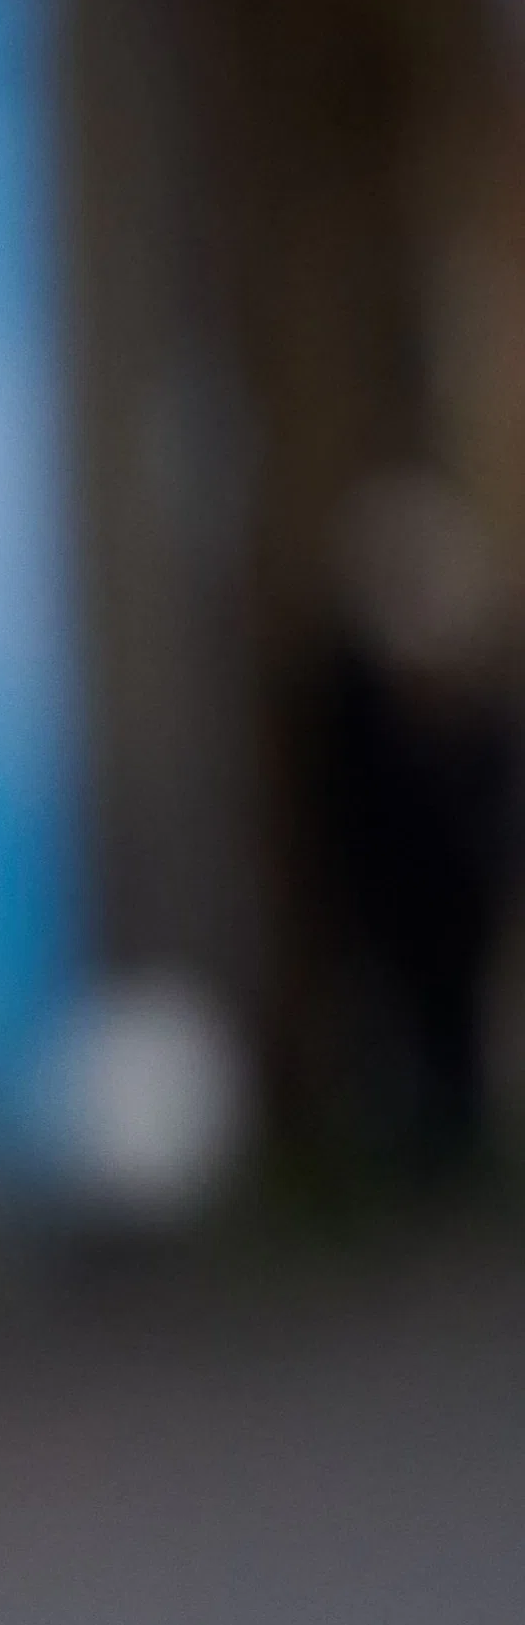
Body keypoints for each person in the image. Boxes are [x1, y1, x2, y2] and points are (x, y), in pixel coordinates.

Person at [300, 465, 512, 1187]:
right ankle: (421, 1150)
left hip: (450, 894)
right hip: (398, 894)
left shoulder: (466, 701)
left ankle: (450, 1145)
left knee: (447, 1028)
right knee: (405, 1024)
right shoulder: (359, 695)